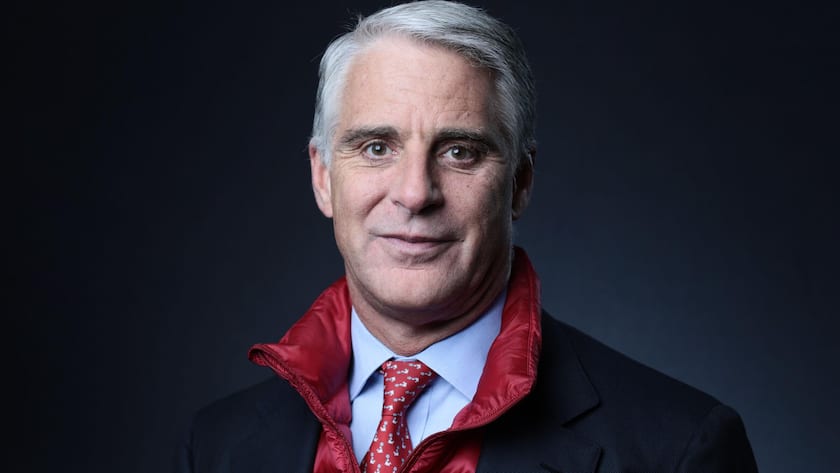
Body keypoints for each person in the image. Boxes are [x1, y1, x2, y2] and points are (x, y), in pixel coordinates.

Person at [174, 1, 758, 472]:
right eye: (376, 147)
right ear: (323, 178)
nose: (414, 193)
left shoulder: (679, 449)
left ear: (520, 183)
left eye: (459, 151)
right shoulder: (217, 447)